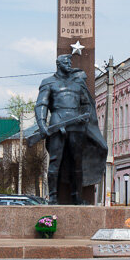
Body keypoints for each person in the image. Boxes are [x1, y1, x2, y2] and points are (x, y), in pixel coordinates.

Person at [34, 54, 108, 204]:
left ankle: (77, 197)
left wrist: (85, 116)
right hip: (57, 123)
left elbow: (86, 103)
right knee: (55, 161)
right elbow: (41, 105)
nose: (69, 64)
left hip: (76, 126)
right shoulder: (48, 82)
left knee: (76, 162)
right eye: (65, 62)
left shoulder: (77, 84)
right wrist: (42, 125)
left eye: (70, 62)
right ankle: (53, 198)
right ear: (58, 64)